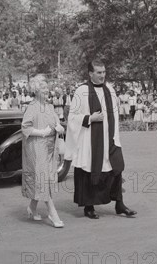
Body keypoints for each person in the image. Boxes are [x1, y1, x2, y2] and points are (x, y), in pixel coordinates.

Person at [64, 60, 136, 219]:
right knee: (89, 170)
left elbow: (115, 115)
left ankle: (119, 204)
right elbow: (72, 117)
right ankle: (89, 207)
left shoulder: (109, 89)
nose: (102, 75)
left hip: (109, 139)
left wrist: (115, 136)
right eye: (99, 72)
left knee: (117, 168)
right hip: (91, 141)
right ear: (90, 73)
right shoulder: (81, 91)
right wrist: (90, 118)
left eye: (104, 72)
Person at [21, 75, 65, 228]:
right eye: (43, 89)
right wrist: (42, 132)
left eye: (47, 88)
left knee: (45, 178)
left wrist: (60, 127)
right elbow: (25, 127)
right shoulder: (32, 107)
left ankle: (32, 208)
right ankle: (52, 213)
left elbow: (56, 122)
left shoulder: (50, 106)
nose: (47, 91)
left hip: (50, 148)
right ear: (36, 91)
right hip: (36, 147)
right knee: (43, 179)